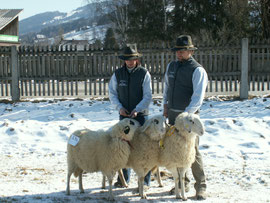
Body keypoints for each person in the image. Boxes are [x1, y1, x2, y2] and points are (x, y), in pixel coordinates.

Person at [163, 35, 208, 200]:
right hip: (173, 114)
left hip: (189, 118)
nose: (178, 54)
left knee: (193, 151)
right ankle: (182, 183)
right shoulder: (171, 66)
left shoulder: (197, 70)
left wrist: (187, 116)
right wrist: (165, 105)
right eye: (177, 51)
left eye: (182, 51)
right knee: (176, 151)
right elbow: (167, 87)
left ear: (190, 51)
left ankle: (200, 186)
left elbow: (198, 97)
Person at [108, 43, 152, 188]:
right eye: (127, 59)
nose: (130, 61)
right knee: (123, 147)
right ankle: (123, 179)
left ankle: (144, 181)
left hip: (141, 116)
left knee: (144, 147)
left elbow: (147, 96)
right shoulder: (117, 74)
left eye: (132, 59)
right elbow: (112, 94)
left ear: (137, 59)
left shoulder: (144, 74)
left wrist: (137, 109)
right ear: (124, 60)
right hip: (124, 116)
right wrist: (119, 108)